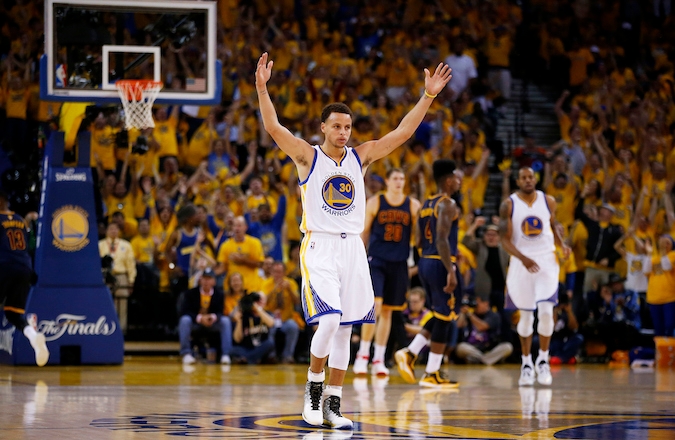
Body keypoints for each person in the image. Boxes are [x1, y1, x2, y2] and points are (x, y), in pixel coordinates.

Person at [255, 52, 451, 428]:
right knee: (328, 323)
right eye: (337, 126)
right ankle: (313, 391)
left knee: (347, 329)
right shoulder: (306, 158)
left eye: (348, 127)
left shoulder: (360, 157)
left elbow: (402, 133)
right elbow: (274, 128)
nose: (344, 132)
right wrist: (263, 89)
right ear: (324, 128)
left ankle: (334, 404)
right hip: (320, 245)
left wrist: (427, 96)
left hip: (353, 249)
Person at [394, 160, 463, 389]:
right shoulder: (448, 204)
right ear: (448, 180)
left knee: (438, 314)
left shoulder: (426, 204)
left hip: (426, 261)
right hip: (440, 263)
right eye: (456, 177)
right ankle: (431, 372)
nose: (459, 181)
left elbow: (419, 240)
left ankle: (411, 353)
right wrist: (450, 269)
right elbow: (442, 238)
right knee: (445, 318)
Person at [499, 167, 570, 386]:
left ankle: (543, 360)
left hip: (546, 262)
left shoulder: (548, 201)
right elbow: (504, 239)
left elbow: (551, 226)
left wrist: (561, 244)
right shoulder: (509, 205)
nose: (528, 180)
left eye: (531, 177)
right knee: (527, 317)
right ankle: (526, 363)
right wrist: (523, 258)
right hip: (522, 264)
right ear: (518, 180)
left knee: (547, 312)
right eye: (523, 177)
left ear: (535, 179)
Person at [353, 168, 420, 377]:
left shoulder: (413, 205)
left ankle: (379, 358)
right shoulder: (375, 202)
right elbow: (364, 232)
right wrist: (360, 258)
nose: (399, 182)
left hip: (399, 262)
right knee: (376, 305)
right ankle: (363, 355)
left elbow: (418, 236)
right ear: (388, 181)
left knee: (389, 311)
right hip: (377, 260)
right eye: (395, 178)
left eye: (402, 178)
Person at [0, 190, 49, 366]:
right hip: (24, 268)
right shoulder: (20, 220)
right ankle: (34, 337)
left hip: (4, 266)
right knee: (14, 315)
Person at [177, 268, 232, 365]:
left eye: (209, 279)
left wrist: (212, 317)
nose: (206, 281)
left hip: (212, 323)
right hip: (195, 323)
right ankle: (186, 353)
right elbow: (185, 311)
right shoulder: (190, 293)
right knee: (185, 320)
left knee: (225, 321)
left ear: (214, 281)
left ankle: (226, 354)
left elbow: (221, 311)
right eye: (204, 278)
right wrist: (200, 318)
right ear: (200, 280)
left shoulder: (219, 294)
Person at [98, 222, 136, 334]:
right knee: (104, 303)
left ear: (119, 231)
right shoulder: (100, 245)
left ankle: (121, 331)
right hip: (105, 275)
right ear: (106, 231)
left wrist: (131, 280)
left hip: (121, 275)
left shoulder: (126, 245)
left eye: (116, 229)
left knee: (122, 305)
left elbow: (131, 264)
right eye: (111, 229)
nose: (113, 231)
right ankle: (105, 329)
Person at [261, 261, 303, 363]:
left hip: (286, 318)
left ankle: (287, 356)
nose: (277, 274)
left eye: (280, 272)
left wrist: (289, 290)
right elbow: (262, 302)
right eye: (275, 272)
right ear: (271, 272)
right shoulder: (266, 283)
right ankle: (271, 355)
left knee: (293, 326)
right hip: (271, 318)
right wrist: (274, 289)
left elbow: (297, 301)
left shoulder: (291, 283)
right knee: (270, 327)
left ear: (284, 273)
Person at [455, 295, 513, 365]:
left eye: (478, 303)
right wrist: (462, 312)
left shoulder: (493, 315)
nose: (476, 306)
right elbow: (459, 325)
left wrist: (469, 315)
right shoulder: (471, 313)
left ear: (486, 303)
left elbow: (482, 327)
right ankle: (486, 360)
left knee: (507, 347)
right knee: (461, 347)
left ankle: (479, 360)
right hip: (473, 348)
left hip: (489, 349)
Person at [231, 292, 276, 364]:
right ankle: (253, 358)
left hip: (262, 347)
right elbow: (237, 339)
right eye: (257, 300)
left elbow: (271, 324)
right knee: (233, 350)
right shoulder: (245, 316)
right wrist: (239, 321)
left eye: (262, 300)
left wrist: (257, 309)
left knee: (270, 343)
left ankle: (247, 359)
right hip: (247, 348)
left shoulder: (267, 314)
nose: (259, 302)